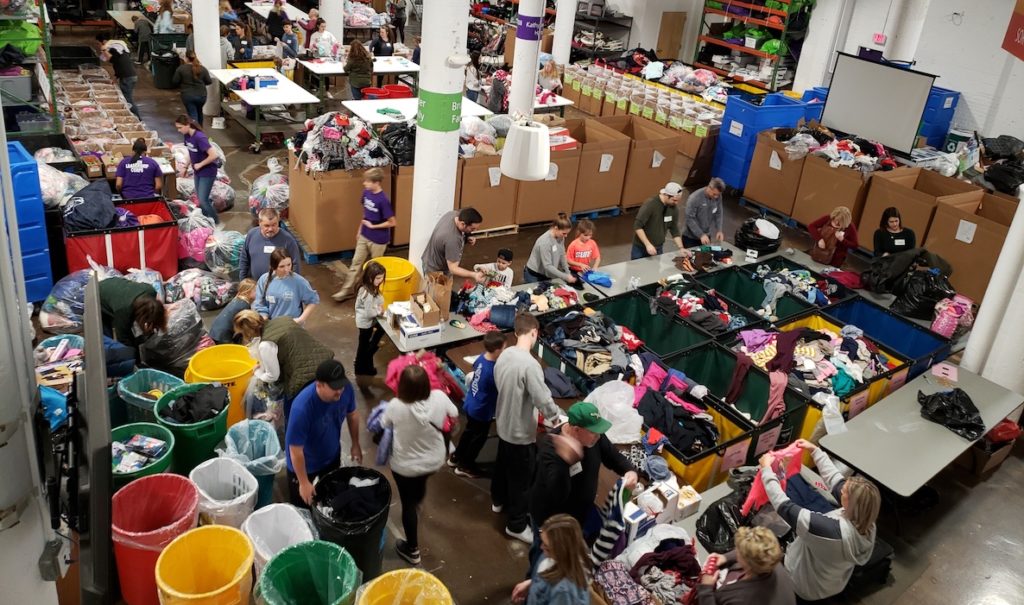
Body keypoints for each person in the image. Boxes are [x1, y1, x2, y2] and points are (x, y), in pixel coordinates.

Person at [761, 439, 880, 602]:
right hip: (833, 582)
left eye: (845, 492)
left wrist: (766, 470)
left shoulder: (827, 530)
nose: (842, 488)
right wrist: (815, 451)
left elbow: (784, 506)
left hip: (802, 585)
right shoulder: (867, 520)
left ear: (850, 504)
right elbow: (836, 481)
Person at [528, 402, 637, 566]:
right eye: (594, 432)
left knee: (563, 559)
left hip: (577, 517)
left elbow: (612, 456)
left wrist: (630, 470)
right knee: (542, 561)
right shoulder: (551, 449)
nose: (598, 436)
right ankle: (533, 585)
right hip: (551, 522)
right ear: (576, 430)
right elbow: (557, 495)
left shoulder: (594, 438)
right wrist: (566, 462)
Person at [492, 312, 566, 544]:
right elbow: (543, 399)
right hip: (520, 433)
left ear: (516, 332)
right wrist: (557, 418)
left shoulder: (504, 355)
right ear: (534, 333)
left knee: (503, 466)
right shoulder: (531, 365)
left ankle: (498, 501)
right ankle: (516, 524)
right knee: (522, 481)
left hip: (503, 424)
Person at [383, 365, 459, 565]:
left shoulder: (395, 405)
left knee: (407, 504)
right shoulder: (439, 397)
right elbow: (455, 413)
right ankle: (417, 499)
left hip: (404, 464)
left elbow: (383, 425)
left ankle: (412, 550)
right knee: (418, 487)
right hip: (433, 460)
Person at [285, 359, 362, 507]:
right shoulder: (302, 408)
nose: (339, 391)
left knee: (331, 498)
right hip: (304, 465)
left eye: (341, 385)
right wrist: (303, 483)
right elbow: (295, 450)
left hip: (331, 455)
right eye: (334, 387)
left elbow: (352, 415)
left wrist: (356, 444)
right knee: (302, 507)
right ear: (319, 384)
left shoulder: (346, 390)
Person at [233, 309, 335, 411]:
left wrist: (257, 372)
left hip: (307, 377)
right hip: (325, 361)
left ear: (249, 333)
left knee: (294, 410)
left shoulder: (265, 345)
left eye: (243, 334)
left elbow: (272, 376)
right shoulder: (282, 319)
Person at [448, 331, 507, 477]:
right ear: (498, 350)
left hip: (471, 403)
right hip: (482, 411)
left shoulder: (481, 358)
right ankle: (466, 466)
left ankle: (456, 457)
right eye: (504, 348)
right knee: (477, 439)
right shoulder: (492, 372)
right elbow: (502, 388)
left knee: (469, 432)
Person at [332, 167, 394, 301]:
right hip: (365, 235)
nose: (364, 183)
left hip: (378, 240)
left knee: (374, 269)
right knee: (356, 263)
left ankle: (371, 295)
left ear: (376, 182)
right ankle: (346, 290)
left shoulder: (383, 200)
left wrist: (374, 226)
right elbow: (365, 213)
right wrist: (360, 229)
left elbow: (392, 222)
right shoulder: (366, 193)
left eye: (367, 181)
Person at [698, 526, 796, 605]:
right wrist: (725, 558)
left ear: (748, 564)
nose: (736, 551)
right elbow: (753, 552)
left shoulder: (742, 599)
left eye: (738, 551)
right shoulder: (769, 559)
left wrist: (705, 588)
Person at [511, 514, 591, 605]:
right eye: (542, 542)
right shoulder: (553, 556)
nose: (541, 547)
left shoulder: (564, 591)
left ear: (561, 550)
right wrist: (531, 584)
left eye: (547, 546)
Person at [98, 276, 166, 361]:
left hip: (114, 284)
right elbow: (123, 339)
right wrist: (136, 360)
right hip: (98, 296)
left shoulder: (150, 290)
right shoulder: (123, 311)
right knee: (108, 342)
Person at [174, 115, 220, 223]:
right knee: (200, 198)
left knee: (203, 200)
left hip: (207, 172)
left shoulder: (200, 137)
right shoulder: (187, 136)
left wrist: (200, 164)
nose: (178, 130)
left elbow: (213, 155)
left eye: (180, 127)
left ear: (188, 125)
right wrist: (185, 167)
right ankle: (205, 220)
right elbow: (191, 152)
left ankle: (216, 221)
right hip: (197, 172)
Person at [253, 248, 319, 322]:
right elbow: (260, 303)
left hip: (291, 326)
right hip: (271, 325)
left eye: (289, 264)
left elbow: (313, 300)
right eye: (282, 266)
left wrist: (301, 319)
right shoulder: (264, 280)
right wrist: (264, 318)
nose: (286, 269)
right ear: (273, 266)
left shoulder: (298, 281)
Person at [421, 207, 486, 282]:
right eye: (472, 229)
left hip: (432, 260)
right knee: (437, 293)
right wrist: (474, 275)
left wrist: (467, 236)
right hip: (435, 271)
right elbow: (453, 268)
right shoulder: (453, 239)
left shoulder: (453, 214)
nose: (474, 231)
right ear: (463, 224)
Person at [239, 208, 302, 281]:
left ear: (278, 222)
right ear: (259, 223)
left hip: (279, 287)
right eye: (267, 226)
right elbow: (244, 259)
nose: (270, 229)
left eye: (274, 225)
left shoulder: (288, 240)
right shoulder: (251, 235)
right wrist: (242, 281)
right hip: (255, 286)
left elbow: (295, 265)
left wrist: (291, 286)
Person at [633, 181, 688, 259]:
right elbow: (637, 226)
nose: (676, 203)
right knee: (636, 270)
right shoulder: (650, 205)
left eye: (678, 200)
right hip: (641, 248)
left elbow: (674, 229)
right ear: (666, 195)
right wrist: (648, 244)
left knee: (655, 270)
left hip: (658, 248)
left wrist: (681, 248)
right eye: (674, 200)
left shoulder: (673, 209)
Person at [354, 261, 387, 379]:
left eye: (382, 278)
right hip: (365, 323)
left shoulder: (367, 287)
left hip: (365, 321)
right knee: (364, 346)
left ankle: (360, 365)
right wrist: (379, 311)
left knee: (364, 345)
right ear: (370, 277)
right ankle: (361, 368)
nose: (380, 281)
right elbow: (369, 313)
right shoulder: (367, 293)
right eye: (378, 278)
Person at [95, 34, 139, 118]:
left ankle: (137, 119)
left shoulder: (113, 48)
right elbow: (119, 64)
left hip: (128, 78)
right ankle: (133, 117)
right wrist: (115, 77)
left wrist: (104, 50)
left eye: (98, 43)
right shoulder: (118, 47)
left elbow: (111, 59)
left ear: (103, 41)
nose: (98, 46)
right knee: (127, 98)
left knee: (127, 100)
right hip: (130, 76)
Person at [525, 214, 577, 284]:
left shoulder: (561, 237)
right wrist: (565, 277)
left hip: (547, 274)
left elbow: (562, 255)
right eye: (564, 233)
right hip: (534, 275)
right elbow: (547, 266)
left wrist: (568, 272)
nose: (566, 236)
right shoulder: (545, 242)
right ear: (556, 228)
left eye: (567, 233)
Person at [210, 278, 257, 344]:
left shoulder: (237, 299)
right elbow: (245, 327)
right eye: (255, 290)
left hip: (215, 330)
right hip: (223, 334)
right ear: (247, 292)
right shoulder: (244, 305)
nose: (257, 292)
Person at [173, 50, 213, 125]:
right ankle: (200, 132)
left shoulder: (181, 69)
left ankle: (195, 134)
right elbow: (209, 81)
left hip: (188, 96)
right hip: (202, 96)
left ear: (186, 58)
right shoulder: (202, 68)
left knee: (192, 115)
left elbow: (175, 81)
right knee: (199, 112)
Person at [683, 177, 725, 247]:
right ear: (709, 187)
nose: (716, 197)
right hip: (690, 238)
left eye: (718, 195)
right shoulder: (695, 198)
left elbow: (719, 213)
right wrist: (701, 235)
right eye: (714, 194)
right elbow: (689, 218)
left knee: (706, 257)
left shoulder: (718, 196)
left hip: (706, 235)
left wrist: (719, 230)